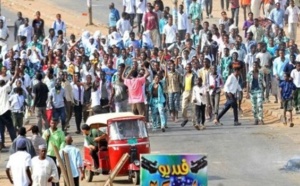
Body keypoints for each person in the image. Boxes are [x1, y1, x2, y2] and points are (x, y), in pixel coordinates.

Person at [43, 118, 66, 186]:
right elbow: (43, 142)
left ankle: (57, 182)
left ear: (57, 124)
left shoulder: (60, 132)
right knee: (50, 171)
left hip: (58, 154)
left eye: (54, 123)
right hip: (49, 154)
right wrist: (46, 137)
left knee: (57, 170)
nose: (53, 124)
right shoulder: (46, 132)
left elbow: (63, 142)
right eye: (52, 123)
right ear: (50, 123)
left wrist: (60, 150)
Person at [0, 71, 18, 149]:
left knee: (1, 129)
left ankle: (2, 143)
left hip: (0, 112)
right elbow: (11, 82)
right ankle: (15, 142)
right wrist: (16, 74)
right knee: (10, 127)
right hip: (5, 110)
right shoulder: (4, 88)